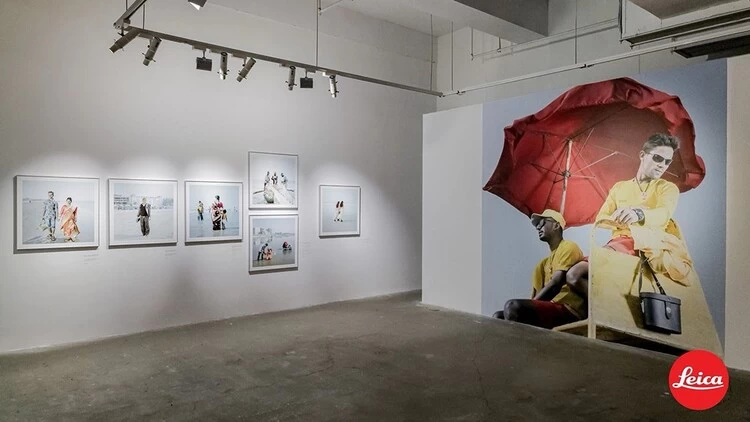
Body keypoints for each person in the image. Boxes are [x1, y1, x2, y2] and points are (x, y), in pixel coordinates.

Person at [566, 133, 691, 290]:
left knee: (576, 274)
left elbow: (663, 214)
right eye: (657, 158)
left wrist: (638, 214)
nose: (662, 165)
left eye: (667, 161)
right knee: (566, 274)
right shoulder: (619, 187)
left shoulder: (667, 188)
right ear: (642, 155)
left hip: (647, 245)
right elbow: (601, 218)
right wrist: (620, 217)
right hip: (619, 243)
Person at [493, 209, 586, 329]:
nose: (538, 228)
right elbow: (536, 295)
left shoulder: (569, 247)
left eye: (542, 223)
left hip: (569, 309)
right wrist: (532, 305)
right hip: (550, 308)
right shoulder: (542, 265)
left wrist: (532, 305)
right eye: (537, 225)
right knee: (498, 317)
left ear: (556, 225)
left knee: (513, 307)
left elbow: (555, 284)